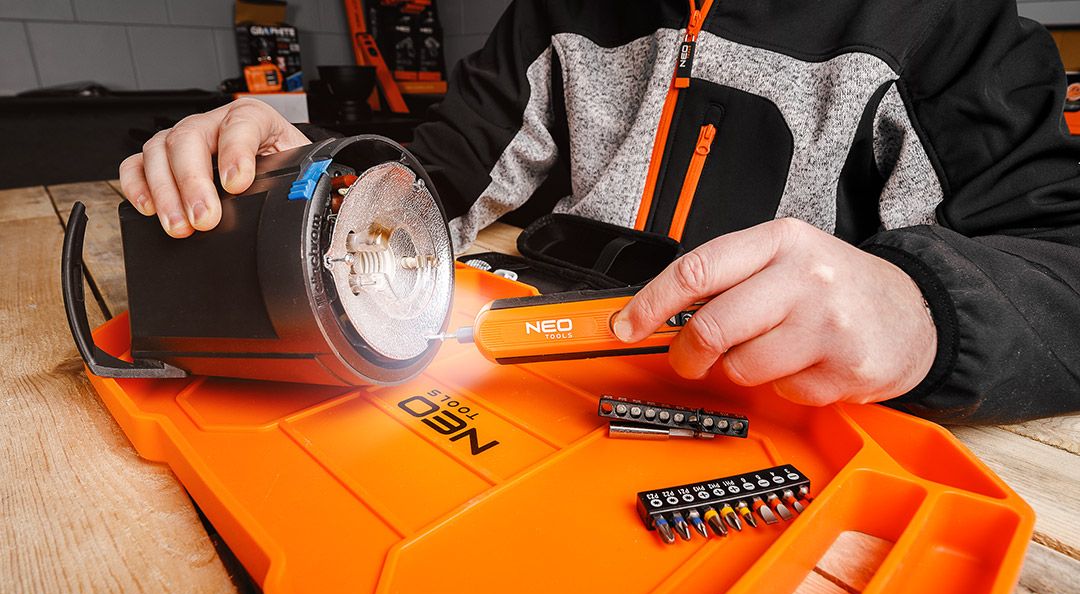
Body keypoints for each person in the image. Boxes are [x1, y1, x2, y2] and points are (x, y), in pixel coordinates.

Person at [117, 0, 1080, 424]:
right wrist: (311, 181)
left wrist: (922, 312)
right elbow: (435, 182)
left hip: (794, 430)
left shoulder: (954, 27)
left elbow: (1064, 265)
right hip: (543, 392)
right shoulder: (559, 7)